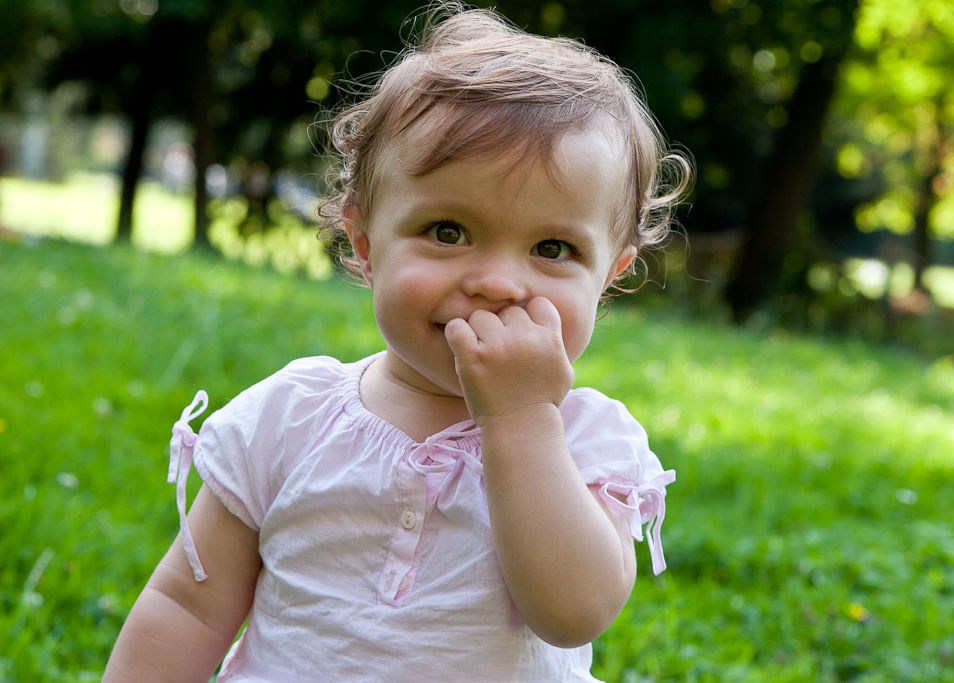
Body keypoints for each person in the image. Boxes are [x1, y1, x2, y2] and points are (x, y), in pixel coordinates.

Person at [103, 4, 690, 681]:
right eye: (448, 232)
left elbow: (573, 611)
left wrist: (522, 418)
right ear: (363, 239)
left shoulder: (589, 440)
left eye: (552, 248)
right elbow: (189, 606)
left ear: (609, 274)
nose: (498, 283)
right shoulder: (290, 416)